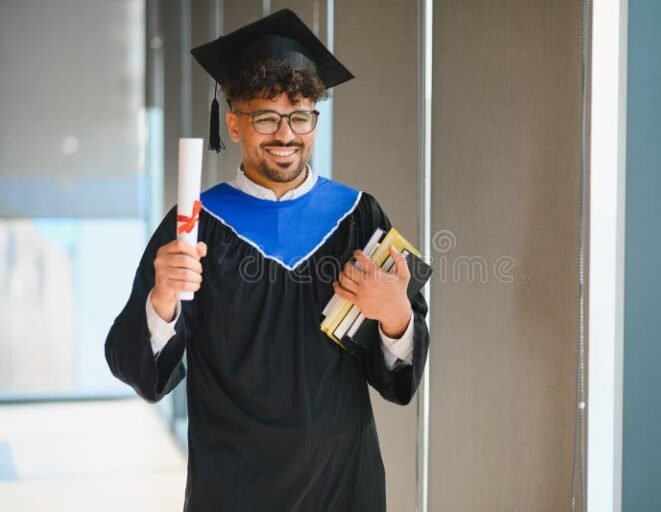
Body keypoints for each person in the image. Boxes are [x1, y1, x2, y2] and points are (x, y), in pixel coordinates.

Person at [104, 9, 429, 512]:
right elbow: (143, 372)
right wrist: (162, 299)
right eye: (265, 118)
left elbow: (398, 380)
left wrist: (395, 315)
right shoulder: (195, 224)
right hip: (232, 487)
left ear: (315, 122)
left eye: (300, 116)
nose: (285, 134)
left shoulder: (357, 216)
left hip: (343, 484)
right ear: (233, 123)